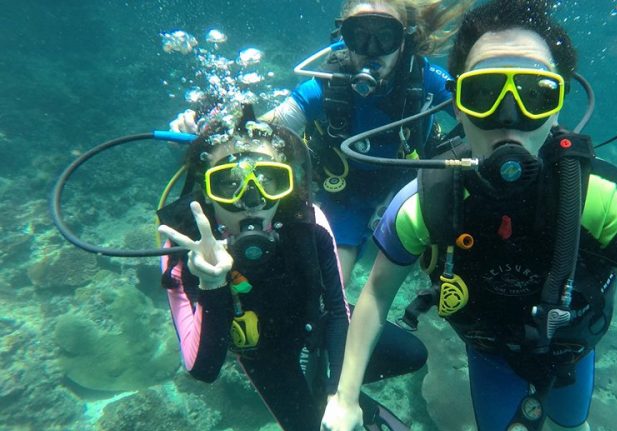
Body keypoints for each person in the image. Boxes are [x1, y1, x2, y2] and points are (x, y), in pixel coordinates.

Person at [320, 1, 617, 431]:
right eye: (483, 93)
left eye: (535, 94)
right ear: (457, 106)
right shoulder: (428, 201)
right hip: (490, 351)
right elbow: (377, 294)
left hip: (569, 351)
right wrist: (345, 395)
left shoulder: (596, 197)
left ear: (558, 107)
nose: (508, 117)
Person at [157, 107, 427, 431]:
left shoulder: (308, 221)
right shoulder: (182, 243)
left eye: (269, 179)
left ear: (285, 183)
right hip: (267, 358)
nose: (251, 200)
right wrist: (212, 284)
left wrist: (341, 394)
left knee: (412, 354)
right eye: (229, 183)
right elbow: (204, 369)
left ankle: (328, 389)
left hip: (316, 326)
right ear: (207, 191)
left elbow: (336, 309)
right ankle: (316, 392)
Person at [172, 0, 474, 286]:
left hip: (410, 188)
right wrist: (208, 133)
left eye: (385, 36)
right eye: (359, 36)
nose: (371, 50)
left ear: (404, 40)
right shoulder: (323, 87)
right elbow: (259, 131)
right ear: (344, 38)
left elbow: (476, 115)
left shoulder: (427, 80)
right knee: (332, 283)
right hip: (346, 195)